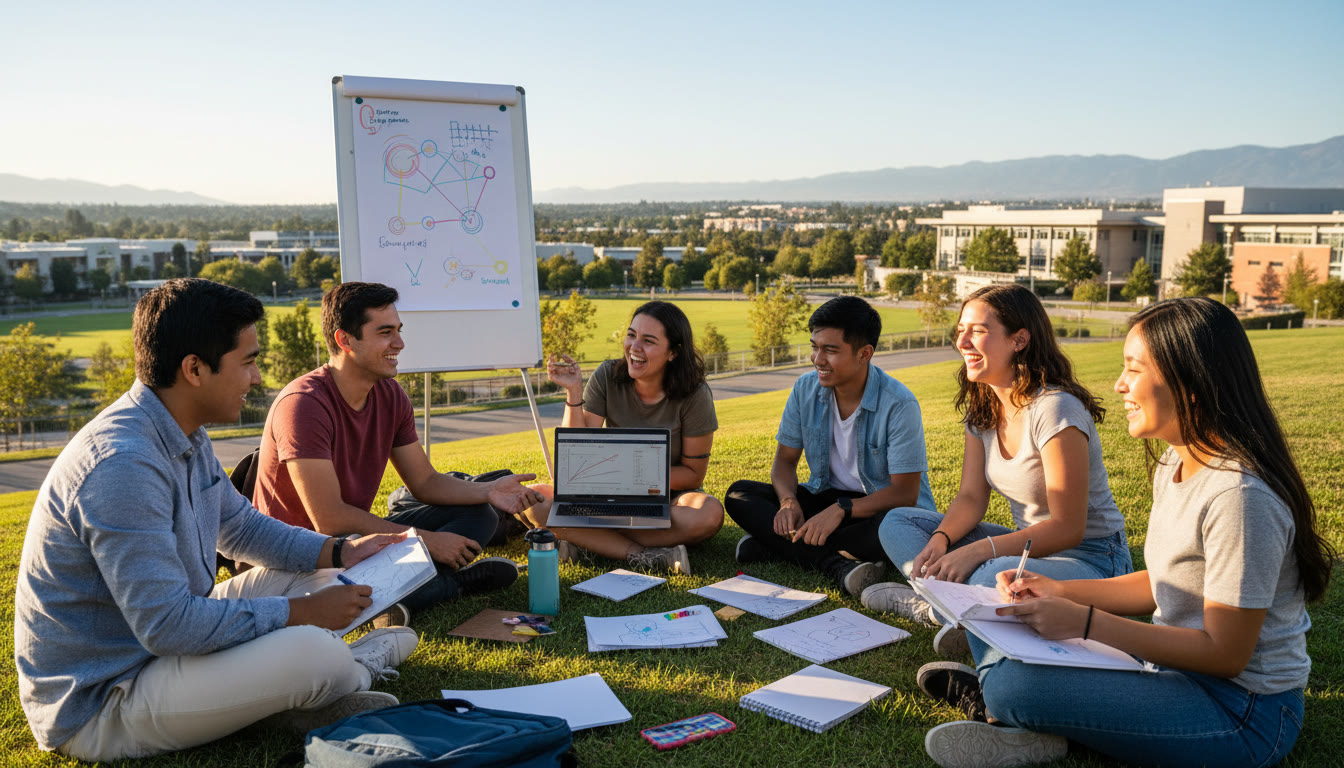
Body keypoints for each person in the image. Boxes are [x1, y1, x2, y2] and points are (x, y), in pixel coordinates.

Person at [917, 297, 1336, 768]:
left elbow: (1226, 655)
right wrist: (1056, 589)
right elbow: (1162, 583)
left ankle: (1014, 707)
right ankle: (1033, 708)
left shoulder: (1240, 497)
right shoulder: (1177, 460)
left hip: (1242, 711)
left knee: (1017, 686)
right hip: (1173, 674)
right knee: (1000, 612)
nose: (1119, 386)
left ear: (1190, 382)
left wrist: (1085, 622)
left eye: (1134, 371)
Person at [15, 279, 419, 762]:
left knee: (321, 573)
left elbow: (241, 527)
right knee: (319, 653)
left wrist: (341, 550)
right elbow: (166, 626)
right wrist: (302, 614)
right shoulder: (122, 465)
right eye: (248, 362)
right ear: (194, 370)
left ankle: (284, 697)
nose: (257, 378)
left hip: (163, 653)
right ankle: (349, 669)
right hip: (105, 698)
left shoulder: (180, 428)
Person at [862, 284, 1132, 654]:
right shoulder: (985, 407)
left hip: (1093, 559)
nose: (964, 342)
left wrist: (979, 551)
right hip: (1028, 551)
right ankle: (959, 611)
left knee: (993, 572)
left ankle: (943, 610)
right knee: (898, 523)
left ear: (1019, 339)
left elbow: (1069, 528)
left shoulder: (1056, 410)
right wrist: (941, 540)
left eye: (978, 330)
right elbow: (971, 498)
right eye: (961, 330)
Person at [254, 282, 542, 622]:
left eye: (399, 331)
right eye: (385, 332)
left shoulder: (390, 394)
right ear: (344, 340)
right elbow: (329, 520)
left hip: (355, 541)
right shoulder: (304, 405)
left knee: (480, 515)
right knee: (348, 581)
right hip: (301, 558)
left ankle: (399, 589)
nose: (400, 343)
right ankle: (448, 586)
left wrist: (488, 491)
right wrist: (423, 540)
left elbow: (425, 482)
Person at [724, 296, 936, 595]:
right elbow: (784, 463)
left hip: (879, 510)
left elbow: (905, 493)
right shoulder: (805, 388)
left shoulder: (899, 404)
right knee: (739, 494)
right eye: (815, 346)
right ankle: (837, 563)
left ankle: (775, 544)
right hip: (825, 499)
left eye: (830, 350)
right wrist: (788, 503)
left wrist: (842, 510)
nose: (817, 359)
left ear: (864, 353)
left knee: (890, 531)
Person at [518, 300, 723, 574]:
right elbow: (574, 468)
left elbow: (693, 475)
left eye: (648, 341)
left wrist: (631, 480)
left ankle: (587, 540)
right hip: (608, 496)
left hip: (667, 499)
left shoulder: (695, 394)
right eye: (631, 335)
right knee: (533, 499)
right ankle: (641, 555)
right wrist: (574, 393)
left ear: (673, 352)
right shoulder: (607, 375)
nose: (634, 348)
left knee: (709, 514)